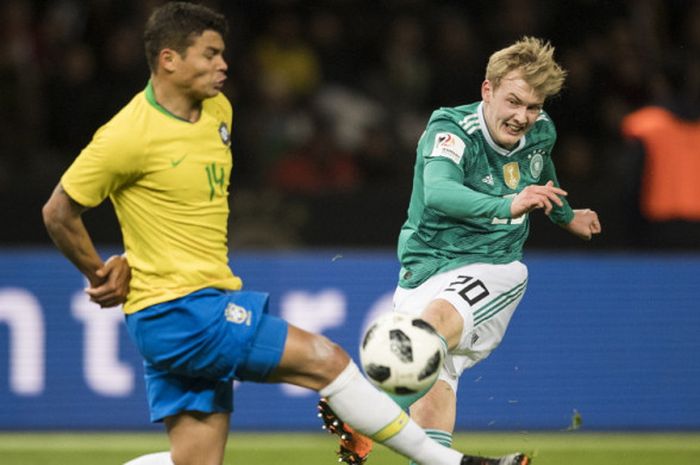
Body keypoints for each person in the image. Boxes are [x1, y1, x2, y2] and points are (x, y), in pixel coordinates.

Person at [41, 3, 528, 465]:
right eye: (210, 54)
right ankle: (450, 461)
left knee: (197, 461)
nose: (223, 64)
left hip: (183, 308)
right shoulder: (127, 134)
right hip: (184, 311)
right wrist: (99, 270)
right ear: (169, 60)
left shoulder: (218, 113)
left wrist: (135, 255)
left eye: (223, 52)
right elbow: (58, 211)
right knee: (327, 360)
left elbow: (169, 210)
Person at [324, 37, 601, 465]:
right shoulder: (450, 130)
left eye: (533, 107)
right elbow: (438, 193)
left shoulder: (541, 130)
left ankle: (362, 419)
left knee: (428, 329)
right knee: (434, 394)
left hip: (495, 266)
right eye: (514, 102)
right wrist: (508, 203)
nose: (523, 117)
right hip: (424, 269)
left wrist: (566, 215)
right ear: (487, 91)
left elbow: (539, 171)